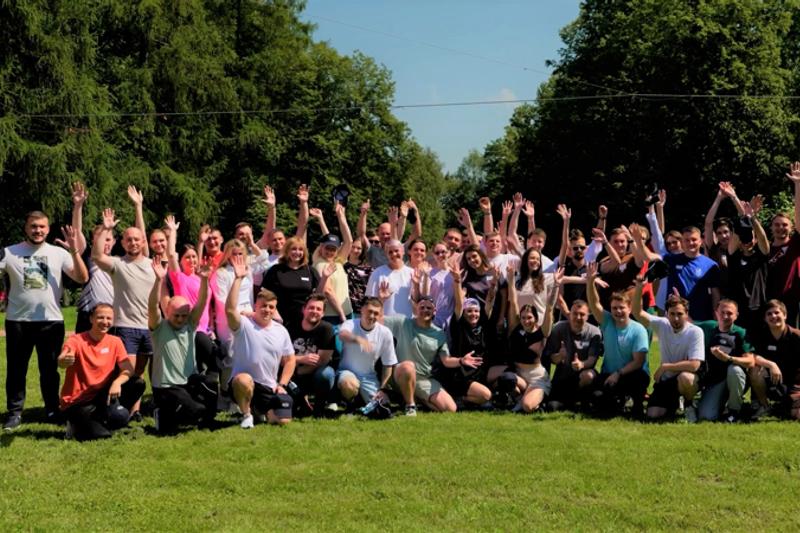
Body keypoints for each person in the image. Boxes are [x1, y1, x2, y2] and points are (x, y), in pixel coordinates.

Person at [2, 211, 89, 430]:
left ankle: (51, 409)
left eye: (42, 226)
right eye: (33, 226)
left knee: (49, 370)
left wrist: (74, 251)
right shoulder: (9, 252)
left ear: (48, 229)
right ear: (26, 228)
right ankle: (14, 413)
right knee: (16, 369)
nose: (37, 230)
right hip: (18, 321)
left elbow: (82, 277)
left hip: (50, 321)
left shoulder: (59, 253)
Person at [92, 206, 156, 421]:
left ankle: (136, 410)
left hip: (149, 327)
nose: (133, 242)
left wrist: (139, 207)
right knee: (126, 371)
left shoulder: (153, 265)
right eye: (129, 239)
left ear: (143, 242)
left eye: (137, 239)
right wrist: (105, 229)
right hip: (126, 326)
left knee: (141, 371)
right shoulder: (117, 264)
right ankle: (118, 410)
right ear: (123, 243)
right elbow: (96, 255)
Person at [148, 258, 218, 433]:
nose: (180, 319)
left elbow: (201, 302)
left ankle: (208, 423)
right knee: (194, 412)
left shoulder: (190, 324)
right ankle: (162, 414)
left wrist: (204, 279)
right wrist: (158, 280)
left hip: (188, 381)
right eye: (176, 315)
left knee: (210, 384)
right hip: (166, 387)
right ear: (167, 311)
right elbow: (152, 306)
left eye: (184, 315)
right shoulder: (158, 327)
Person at [226, 255, 296, 428]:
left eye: (271, 307)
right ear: (255, 306)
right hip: (242, 382)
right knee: (243, 380)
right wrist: (238, 279)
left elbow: (290, 360)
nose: (267, 309)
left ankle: (259, 412)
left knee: (283, 421)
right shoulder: (244, 324)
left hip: (268, 387)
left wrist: (282, 384)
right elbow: (230, 310)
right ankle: (246, 415)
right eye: (263, 305)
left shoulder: (281, 331)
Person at [58, 303, 145, 441]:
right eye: (100, 317)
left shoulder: (115, 341)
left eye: (109, 318)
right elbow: (63, 359)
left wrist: (117, 382)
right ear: (91, 319)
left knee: (137, 383)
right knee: (101, 435)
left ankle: (109, 417)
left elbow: (128, 369)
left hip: (102, 395)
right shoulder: (76, 340)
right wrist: (64, 360)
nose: (105, 322)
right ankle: (75, 425)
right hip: (78, 401)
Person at [632, 277, 705, 422]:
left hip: (686, 378)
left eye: (680, 314)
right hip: (666, 381)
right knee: (653, 415)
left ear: (687, 314)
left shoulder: (695, 332)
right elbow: (637, 313)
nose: (676, 318)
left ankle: (689, 404)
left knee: (686, 378)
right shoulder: (662, 324)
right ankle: (674, 403)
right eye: (672, 314)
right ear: (666, 314)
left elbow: (694, 365)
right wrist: (639, 288)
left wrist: (665, 367)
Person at [586, 262, 649, 417]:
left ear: (629, 308)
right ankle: (617, 401)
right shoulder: (607, 321)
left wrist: (618, 374)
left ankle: (636, 403)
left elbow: (638, 362)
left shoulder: (638, 329)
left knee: (639, 378)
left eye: (622, 308)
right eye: (614, 308)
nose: (618, 311)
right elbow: (594, 303)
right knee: (599, 402)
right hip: (609, 374)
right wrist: (590, 282)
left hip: (631, 375)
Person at [431, 261, 494, 409]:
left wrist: (494, 284)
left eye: (476, 311)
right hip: (460, 373)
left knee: (488, 393)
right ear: (464, 313)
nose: (473, 314)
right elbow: (459, 304)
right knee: (486, 396)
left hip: (478, 372)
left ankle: (465, 400)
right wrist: (457, 281)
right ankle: (458, 398)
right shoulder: (459, 325)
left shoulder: (482, 326)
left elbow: (490, 302)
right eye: (469, 311)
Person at [383, 295, 460, 414]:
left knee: (450, 409)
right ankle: (410, 406)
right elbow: (379, 320)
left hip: (423, 379)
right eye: (422, 307)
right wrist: (382, 299)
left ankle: (415, 398)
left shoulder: (439, 333)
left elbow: (446, 360)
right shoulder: (402, 322)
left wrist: (461, 361)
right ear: (416, 309)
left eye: (429, 308)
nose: (425, 310)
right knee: (408, 366)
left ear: (435, 311)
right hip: (401, 374)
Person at [500, 263, 560, 413]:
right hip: (519, 376)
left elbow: (550, 308)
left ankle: (533, 402)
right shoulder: (516, 328)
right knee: (506, 378)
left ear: (535, 318)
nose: (526, 321)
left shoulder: (542, 332)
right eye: (523, 318)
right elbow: (513, 301)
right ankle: (519, 398)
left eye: (529, 317)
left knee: (527, 406)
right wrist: (511, 280)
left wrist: (556, 286)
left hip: (537, 378)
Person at [694, 300, 754, 422]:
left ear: (736, 315)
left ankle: (734, 411)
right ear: (716, 313)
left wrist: (728, 358)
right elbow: (688, 323)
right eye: (722, 312)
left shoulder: (741, 332)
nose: (725, 316)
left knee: (734, 369)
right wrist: (679, 304)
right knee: (707, 416)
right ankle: (717, 404)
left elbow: (750, 361)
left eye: (729, 313)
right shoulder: (708, 327)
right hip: (715, 381)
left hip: (735, 378)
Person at [261, 236, 332, 330]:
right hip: (280, 320)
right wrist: (274, 313)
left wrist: (325, 278)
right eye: (293, 249)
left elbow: (318, 296)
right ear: (287, 251)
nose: (297, 252)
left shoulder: (310, 270)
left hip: (305, 321)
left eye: (300, 249)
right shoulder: (276, 270)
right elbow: (265, 294)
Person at [337, 298, 397, 407]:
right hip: (346, 372)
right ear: (362, 310)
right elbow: (342, 335)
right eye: (370, 311)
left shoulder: (385, 333)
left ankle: (360, 399)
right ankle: (350, 403)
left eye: (376, 313)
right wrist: (358, 339)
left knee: (383, 405)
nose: (372, 316)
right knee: (348, 384)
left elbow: (388, 364)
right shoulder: (350, 324)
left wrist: (382, 389)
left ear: (380, 315)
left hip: (368, 376)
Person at [544, 299, 603, 411]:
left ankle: (579, 399)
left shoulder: (594, 332)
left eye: (582, 314)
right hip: (563, 376)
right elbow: (551, 358)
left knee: (588, 376)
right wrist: (559, 356)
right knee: (552, 407)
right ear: (569, 314)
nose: (578, 317)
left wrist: (581, 364)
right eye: (575, 313)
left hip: (583, 376)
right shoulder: (558, 328)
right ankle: (572, 401)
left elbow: (593, 359)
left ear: (588, 316)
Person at [748, 299, 800, 421]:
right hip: (771, 381)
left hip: (794, 384)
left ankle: (780, 408)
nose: (773, 316)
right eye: (769, 314)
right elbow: (752, 356)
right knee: (755, 371)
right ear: (765, 318)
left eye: (777, 313)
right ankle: (765, 406)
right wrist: (771, 365)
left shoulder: (796, 336)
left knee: (797, 415)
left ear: (785, 315)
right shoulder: (760, 335)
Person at [287, 294, 337, 417]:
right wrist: (301, 359)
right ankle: (302, 402)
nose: (314, 311)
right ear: (303, 309)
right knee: (291, 409)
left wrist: (298, 370)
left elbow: (322, 361)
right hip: (293, 372)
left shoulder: (327, 329)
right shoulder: (291, 327)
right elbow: (282, 357)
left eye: (318, 309)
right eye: (311, 307)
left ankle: (319, 408)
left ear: (323, 313)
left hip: (314, 373)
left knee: (326, 374)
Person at [765, 162, 800, 325]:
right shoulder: (765, 248)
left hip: (791, 303)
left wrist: (797, 185)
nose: (781, 228)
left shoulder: (795, 244)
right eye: (777, 225)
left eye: (785, 225)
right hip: (768, 305)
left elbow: (799, 217)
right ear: (771, 228)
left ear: (791, 228)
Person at [366, 239, 414, 318]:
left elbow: (419, 301)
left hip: (408, 321)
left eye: (396, 251)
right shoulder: (377, 273)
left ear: (403, 251)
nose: (394, 254)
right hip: (384, 320)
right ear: (386, 254)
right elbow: (371, 303)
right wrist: (381, 299)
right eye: (390, 252)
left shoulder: (412, 273)